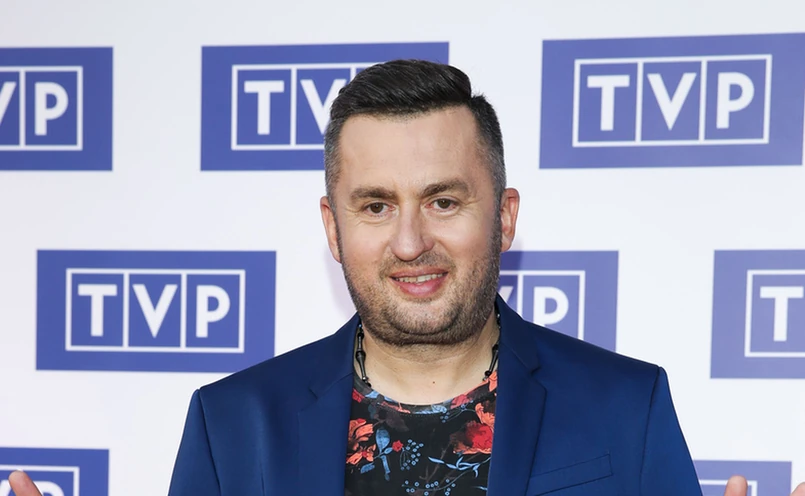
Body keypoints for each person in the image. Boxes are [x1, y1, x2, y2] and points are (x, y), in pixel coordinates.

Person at [6, 60, 803, 496]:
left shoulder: (626, 406)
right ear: (333, 227)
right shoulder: (232, 424)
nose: (411, 241)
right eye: (376, 205)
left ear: (504, 217)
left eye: (443, 200)